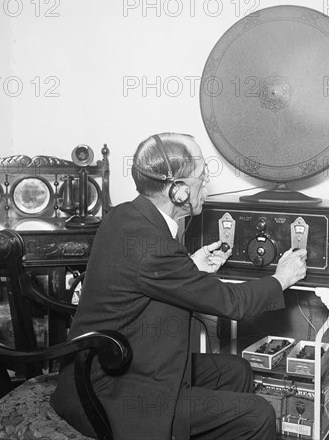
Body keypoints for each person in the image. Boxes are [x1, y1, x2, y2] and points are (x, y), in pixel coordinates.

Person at [51, 132, 307, 440]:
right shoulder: (154, 248)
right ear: (180, 193)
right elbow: (232, 304)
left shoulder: (125, 215)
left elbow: (144, 278)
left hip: (120, 363)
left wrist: (191, 265)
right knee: (258, 414)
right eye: (203, 176)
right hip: (110, 392)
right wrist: (281, 279)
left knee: (235, 370)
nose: (207, 184)